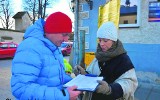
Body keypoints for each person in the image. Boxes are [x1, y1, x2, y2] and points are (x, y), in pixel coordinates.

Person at [11, 12, 81, 100]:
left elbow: (56, 78)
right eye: (64, 34)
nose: (66, 39)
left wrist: (77, 84)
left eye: (68, 35)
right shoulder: (30, 47)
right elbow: (21, 89)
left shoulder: (53, 46)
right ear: (52, 31)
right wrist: (63, 95)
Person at [75, 21, 138, 100]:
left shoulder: (123, 59)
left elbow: (130, 84)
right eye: (100, 40)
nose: (101, 44)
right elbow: (93, 74)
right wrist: (84, 74)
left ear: (113, 41)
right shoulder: (99, 56)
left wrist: (109, 89)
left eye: (105, 40)